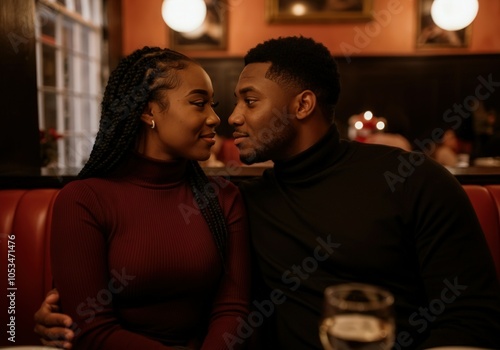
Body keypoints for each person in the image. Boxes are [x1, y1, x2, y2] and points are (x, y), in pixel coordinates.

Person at [35, 37, 500, 349]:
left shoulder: (416, 180)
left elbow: (471, 316)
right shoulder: (245, 197)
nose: (230, 118)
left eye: (248, 101)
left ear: (302, 104)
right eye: (220, 103)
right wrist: (61, 316)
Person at [38, 46, 250, 349]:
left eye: (212, 105)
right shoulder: (83, 200)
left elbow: (233, 309)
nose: (215, 118)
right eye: (199, 103)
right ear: (149, 111)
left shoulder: (224, 198)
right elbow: (92, 330)